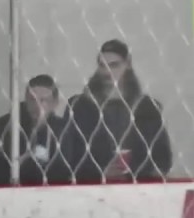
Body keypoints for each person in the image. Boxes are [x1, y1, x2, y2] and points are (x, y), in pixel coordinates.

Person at [67, 39, 172, 183]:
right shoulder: (80, 106)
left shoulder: (148, 108)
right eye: (103, 66)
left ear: (127, 64)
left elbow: (162, 158)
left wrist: (130, 172)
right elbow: (70, 154)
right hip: (91, 187)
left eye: (114, 65)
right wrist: (100, 171)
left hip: (137, 188)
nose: (107, 72)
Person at [0, 74, 75, 186]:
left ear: (54, 103)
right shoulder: (1, 128)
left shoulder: (62, 131)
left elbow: (64, 174)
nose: (37, 106)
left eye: (43, 100)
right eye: (32, 100)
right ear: (26, 100)